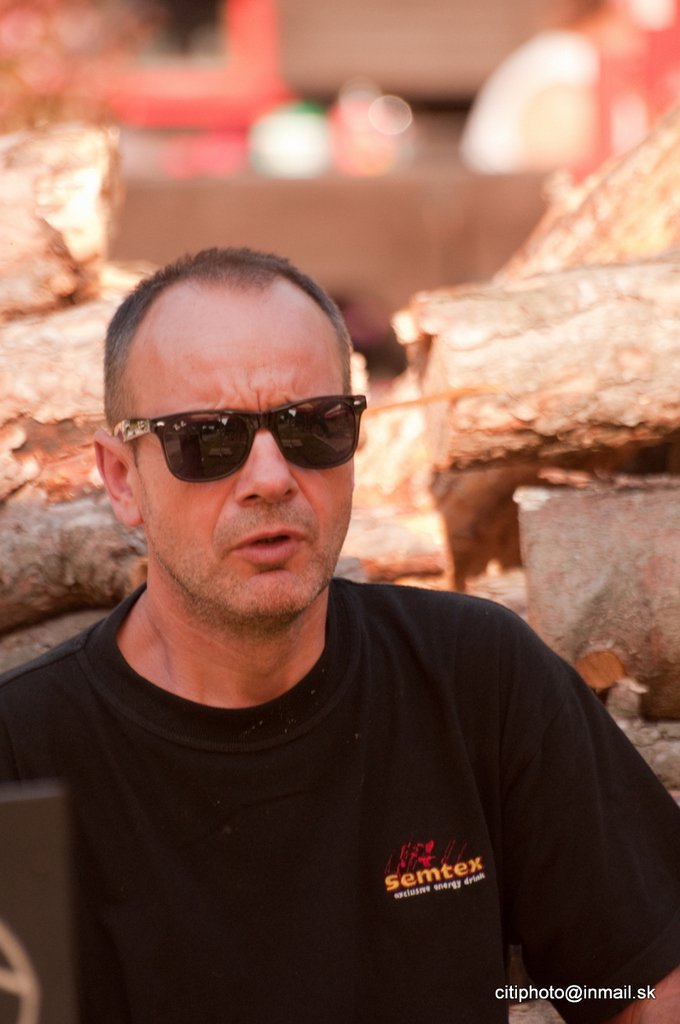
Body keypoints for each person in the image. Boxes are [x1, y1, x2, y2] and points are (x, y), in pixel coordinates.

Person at [0, 246, 679, 1023]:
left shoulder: (473, 680)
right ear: (122, 478)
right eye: (208, 439)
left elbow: (645, 988)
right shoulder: (22, 756)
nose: (270, 478)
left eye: (313, 427)